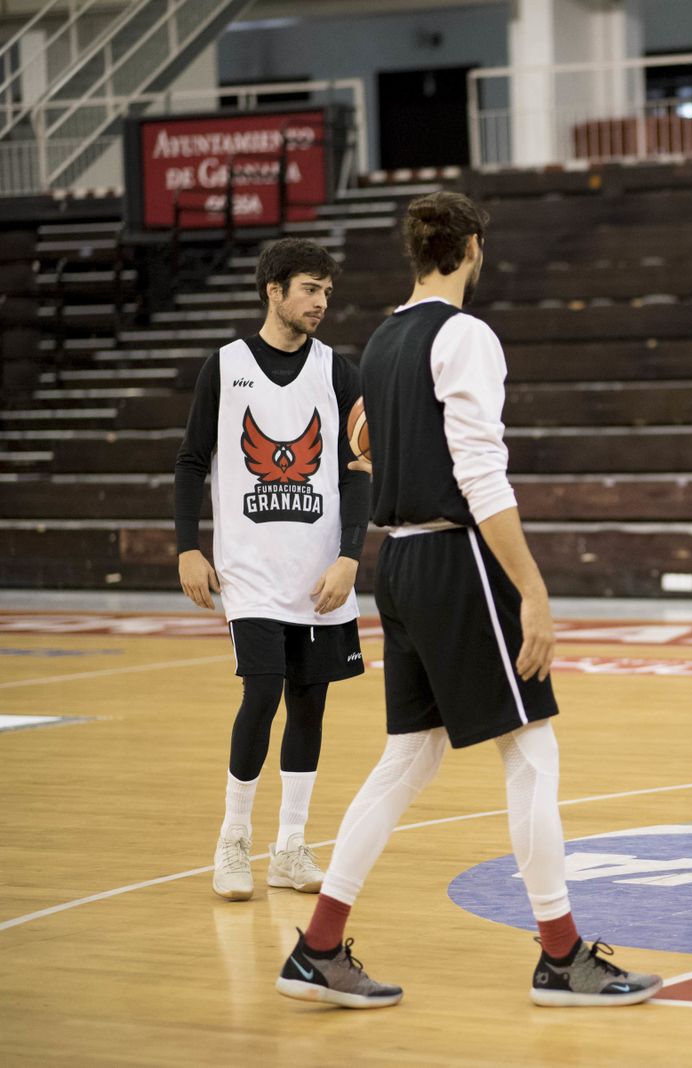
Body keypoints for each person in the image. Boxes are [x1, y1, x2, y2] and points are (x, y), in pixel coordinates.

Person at [274, 191, 659, 1009]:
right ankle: (561, 958)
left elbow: (362, 444)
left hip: (398, 565)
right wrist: (534, 590)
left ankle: (317, 946)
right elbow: (481, 473)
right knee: (531, 751)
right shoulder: (465, 335)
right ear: (474, 247)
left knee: (409, 757)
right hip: (455, 556)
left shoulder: (380, 336)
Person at [174, 237, 366, 902]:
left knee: (309, 707)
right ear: (274, 290)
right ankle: (233, 840)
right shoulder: (224, 368)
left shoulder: (338, 371)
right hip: (250, 574)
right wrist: (186, 546)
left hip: (320, 577)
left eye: (326, 292)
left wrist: (350, 556)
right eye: (310, 289)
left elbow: (357, 469)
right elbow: (190, 463)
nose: (320, 303)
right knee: (262, 693)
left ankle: (289, 847)